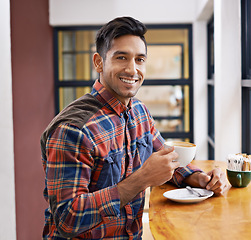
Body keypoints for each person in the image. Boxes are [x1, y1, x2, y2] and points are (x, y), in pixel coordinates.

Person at [41, 16, 228, 240]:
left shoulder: (139, 112)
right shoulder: (73, 129)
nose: (132, 69)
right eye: (122, 57)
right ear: (99, 62)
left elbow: (166, 160)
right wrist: (141, 179)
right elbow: (67, 219)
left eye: (140, 60)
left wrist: (200, 179)